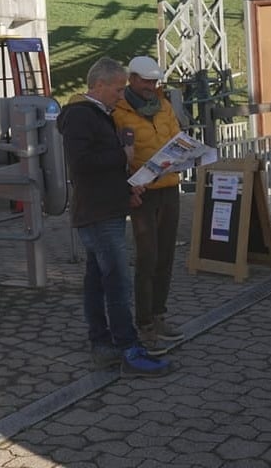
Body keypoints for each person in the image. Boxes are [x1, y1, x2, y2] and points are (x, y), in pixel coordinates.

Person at [57, 56, 171, 377]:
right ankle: (128, 349)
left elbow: (99, 170)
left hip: (104, 207)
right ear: (100, 85)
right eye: (118, 90)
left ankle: (103, 345)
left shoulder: (97, 114)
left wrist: (125, 189)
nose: (121, 96)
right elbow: (82, 164)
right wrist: (121, 155)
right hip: (98, 214)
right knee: (117, 283)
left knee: (97, 281)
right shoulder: (82, 116)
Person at [113, 55, 185, 356]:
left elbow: (175, 136)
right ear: (132, 80)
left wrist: (185, 151)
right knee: (147, 258)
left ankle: (158, 315)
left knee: (166, 256)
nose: (151, 87)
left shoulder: (164, 104)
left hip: (169, 188)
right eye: (146, 81)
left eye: (155, 82)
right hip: (143, 193)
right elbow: (119, 153)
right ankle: (143, 323)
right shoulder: (118, 111)